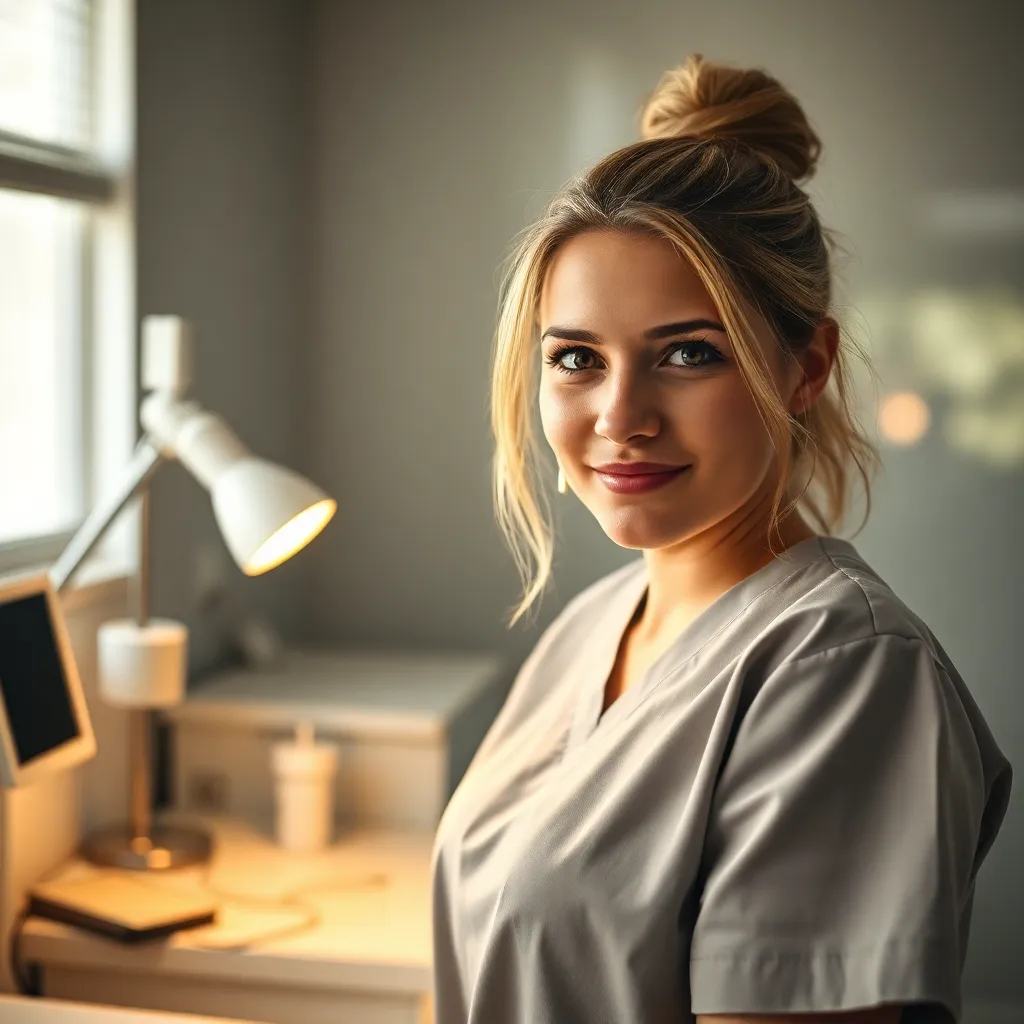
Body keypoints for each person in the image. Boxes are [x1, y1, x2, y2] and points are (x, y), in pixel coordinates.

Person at [429, 54, 1012, 1024]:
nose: (621, 416)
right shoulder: (591, 624)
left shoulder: (843, 672)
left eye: (687, 354)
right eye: (576, 358)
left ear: (805, 367)